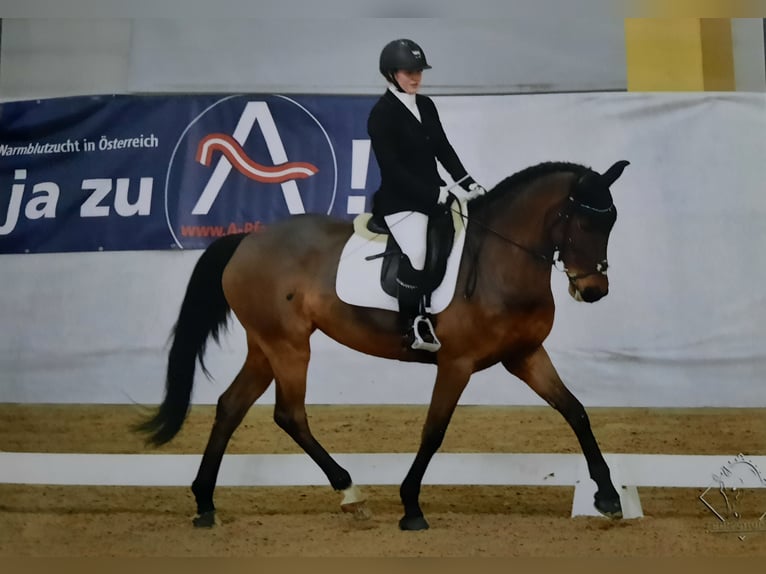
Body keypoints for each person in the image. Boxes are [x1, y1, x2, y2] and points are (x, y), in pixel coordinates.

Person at [368, 38, 487, 352]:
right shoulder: (381, 115)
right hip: (401, 202)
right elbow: (392, 170)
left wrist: (469, 183)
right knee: (418, 253)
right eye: (409, 72)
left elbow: (443, 149)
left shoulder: (426, 105)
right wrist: (434, 193)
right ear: (391, 74)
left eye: (419, 71)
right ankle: (412, 323)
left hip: (434, 196)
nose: (416, 77)